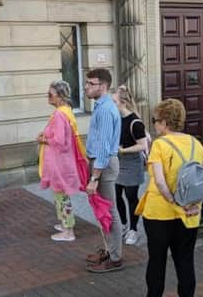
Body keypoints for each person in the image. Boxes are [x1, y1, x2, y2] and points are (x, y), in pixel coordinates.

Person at [135, 98, 203, 297]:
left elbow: (160, 182)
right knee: (185, 262)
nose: (154, 124)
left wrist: (172, 200)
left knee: (157, 262)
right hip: (188, 214)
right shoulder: (195, 143)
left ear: (164, 122)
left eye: (155, 120)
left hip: (160, 213)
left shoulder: (160, 145)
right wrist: (195, 202)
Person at [38, 80, 88, 242]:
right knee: (60, 194)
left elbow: (59, 141)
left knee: (61, 196)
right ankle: (65, 224)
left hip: (59, 163)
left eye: (50, 94)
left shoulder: (60, 114)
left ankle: (68, 230)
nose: (48, 97)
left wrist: (44, 139)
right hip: (63, 161)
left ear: (59, 96)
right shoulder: (66, 111)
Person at [83, 68, 123, 273]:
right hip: (99, 165)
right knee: (103, 210)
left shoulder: (106, 110)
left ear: (103, 86)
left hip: (103, 167)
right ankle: (109, 250)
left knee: (109, 211)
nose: (86, 87)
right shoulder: (101, 106)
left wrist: (94, 178)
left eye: (91, 83)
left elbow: (105, 148)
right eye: (87, 82)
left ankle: (115, 258)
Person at [113, 85, 147, 246]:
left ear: (123, 102)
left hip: (132, 163)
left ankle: (134, 229)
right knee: (116, 195)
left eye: (114, 101)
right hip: (118, 162)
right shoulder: (116, 118)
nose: (111, 104)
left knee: (131, 197)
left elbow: (143, 146)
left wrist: (124, 150)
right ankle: (124, 225)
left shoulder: (135, 122)